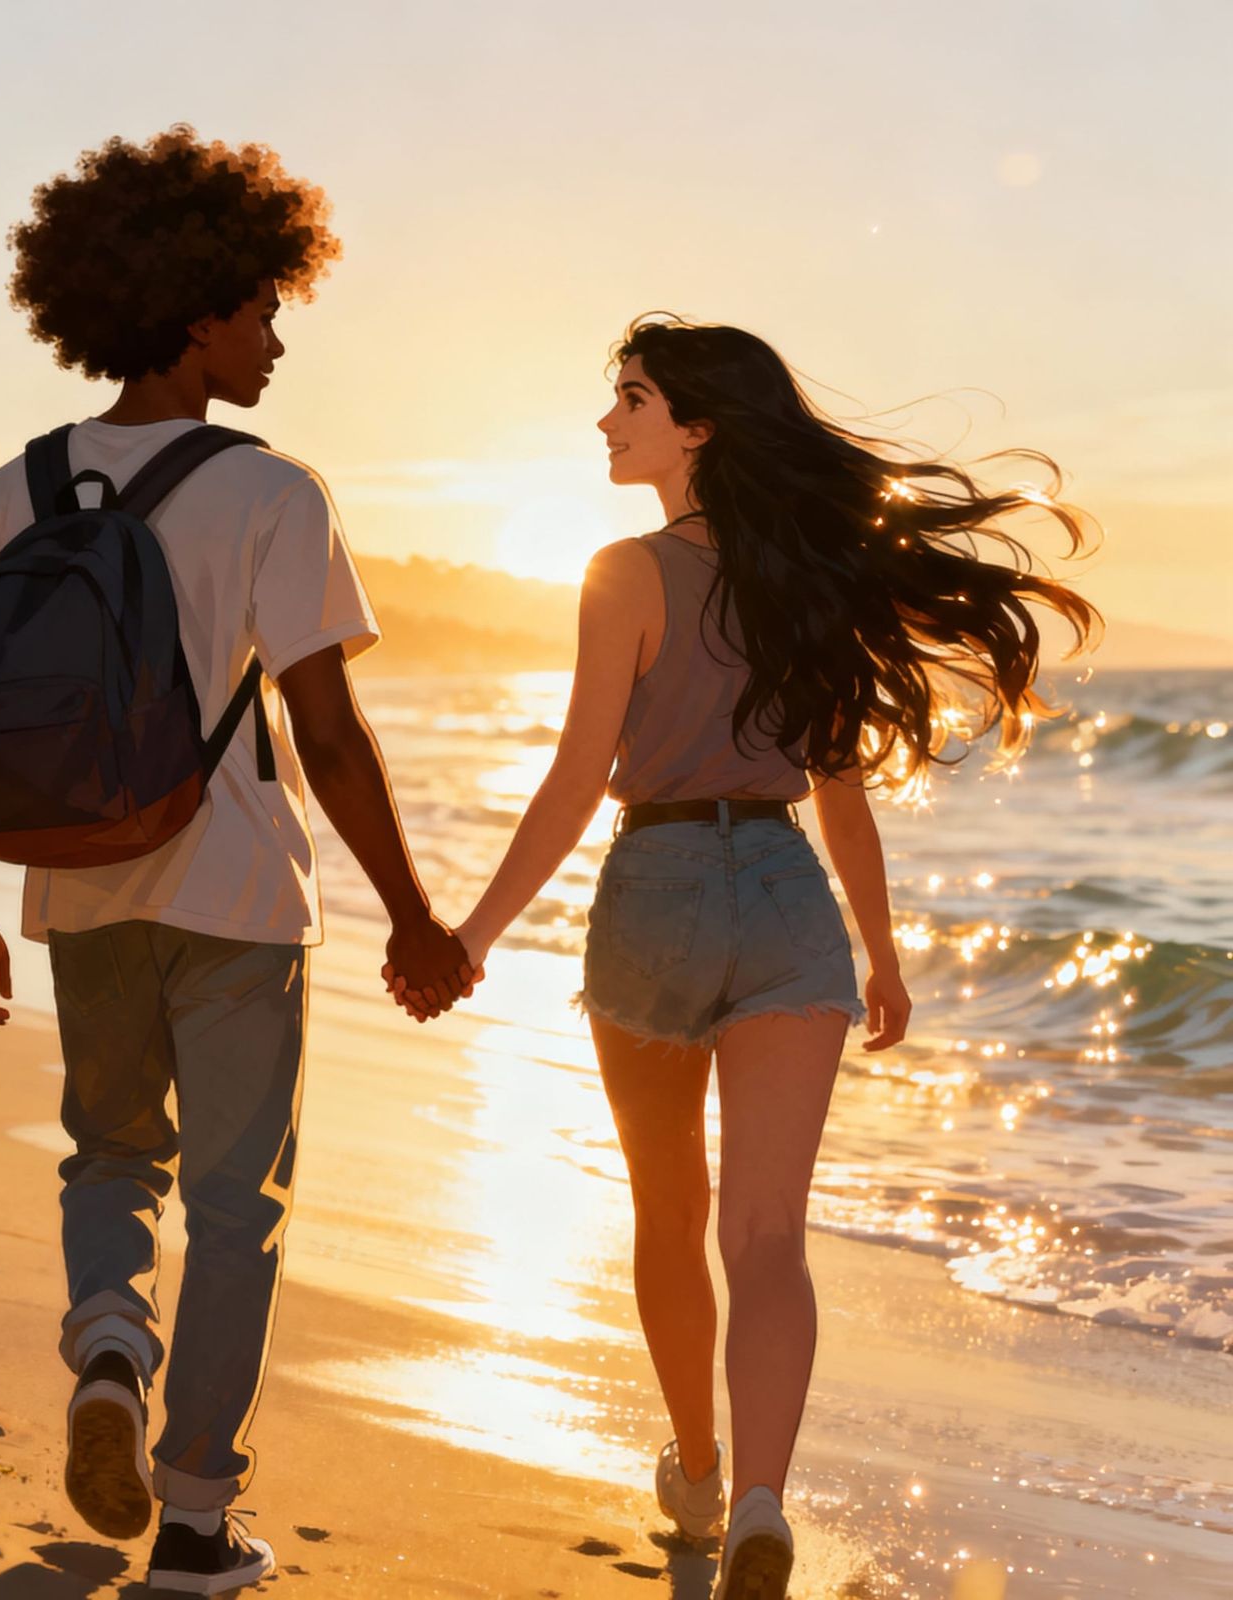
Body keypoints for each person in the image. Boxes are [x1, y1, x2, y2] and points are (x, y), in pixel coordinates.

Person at [389, 318, 1098, 1599]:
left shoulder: (622, 573)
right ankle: (767, 1499)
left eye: (632, 399)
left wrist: (471, 937)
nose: (609, 423)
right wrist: (879, 953)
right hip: (783, 895)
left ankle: (702, 1474)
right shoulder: (806, 579)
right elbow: (839, 791)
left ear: (697, 426)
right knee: (767, 1232)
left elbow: (571, 783)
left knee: (669, 1212)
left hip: (654, 888)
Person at [0, 128, 474, 1594]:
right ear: (191, 314)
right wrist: (417, 917)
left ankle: (110, 1340)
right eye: (260, 310)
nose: (279, 340)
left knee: (112, 1155)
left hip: (74, 890)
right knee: (240, 1210)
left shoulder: (12, 488)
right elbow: (332, 739)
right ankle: (196, 1524)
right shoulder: (272, 490)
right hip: (233, 897)